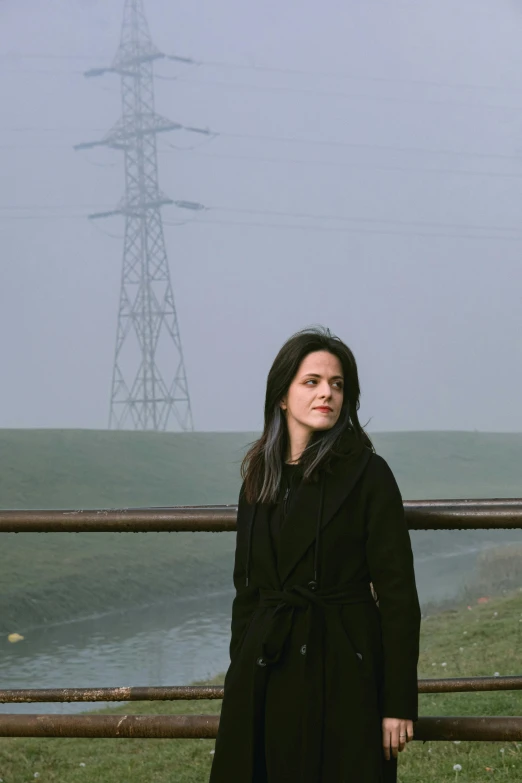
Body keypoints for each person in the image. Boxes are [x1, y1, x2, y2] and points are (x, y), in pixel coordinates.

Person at [209, 326, 421, 783]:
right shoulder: (258, 477)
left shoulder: (369, 474)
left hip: (344, 671)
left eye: (337, 384)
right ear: (282, 396)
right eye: (312, 382)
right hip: (264, 671)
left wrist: (397, 703)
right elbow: (246, 591)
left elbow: (399, 597)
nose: (327, 393)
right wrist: (238, 678)